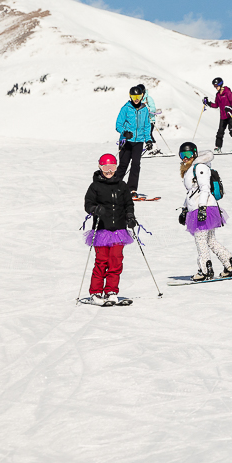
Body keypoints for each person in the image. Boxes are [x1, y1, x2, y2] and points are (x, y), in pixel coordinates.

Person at [178, 141, 232, 281]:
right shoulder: (191, 168)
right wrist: (184, 209)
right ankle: (230, 264)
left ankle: (205, 270)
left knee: (200, 240)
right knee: (210, 240)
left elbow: (205, 188)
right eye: (182, 155)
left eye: (188, 154)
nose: (185, 158)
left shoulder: (200, 167)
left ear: (194, 154)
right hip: (200, 207)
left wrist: (202, 208)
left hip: (204, 207)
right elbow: (192, 191)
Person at [83, 153, 137, 304]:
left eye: (112, 167)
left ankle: (111, 291)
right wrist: (95, 209)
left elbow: (128, 203)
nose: (109, 170)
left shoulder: (122, 185)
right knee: (101, 261)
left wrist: (130, 216)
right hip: (102, 230)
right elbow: (88, 204)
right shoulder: (95, 186)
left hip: (119, 230)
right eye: (105, 167)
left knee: (116, 261)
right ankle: (95, 292)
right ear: (100, 167)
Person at [114, 85, 154, 194]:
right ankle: (114, 186)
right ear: (130, 96)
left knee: (136, 165)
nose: (136, 99)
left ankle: (131, 189)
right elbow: (118, 124)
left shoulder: (144, 109)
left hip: (138, 142)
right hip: (126, 141)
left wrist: (148, 140)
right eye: (133, 96)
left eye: (138, 96)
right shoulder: (126, 108)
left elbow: (147, 126)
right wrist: (124, 132)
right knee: (123, 165)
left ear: (142, 96)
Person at [203, 77, 232, 152]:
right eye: (214, 86)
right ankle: (218, 147)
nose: (215, 87)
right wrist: (208, 103)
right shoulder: (218, 95)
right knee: (220, 132)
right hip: (223, 116)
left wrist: (230, 108)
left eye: (216, 86)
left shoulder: (227, 92)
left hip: (230, 114)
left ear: (220, 85)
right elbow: (216, 105)